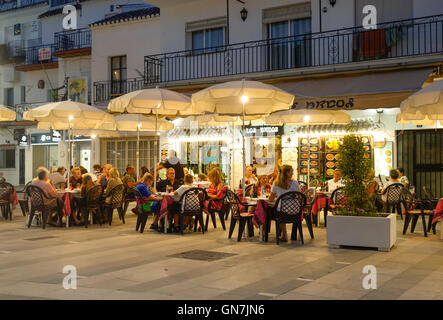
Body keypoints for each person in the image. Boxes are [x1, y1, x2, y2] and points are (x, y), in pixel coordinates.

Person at [268, 165, 301, 243]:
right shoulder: (295, 183)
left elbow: (270, 199)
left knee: (274, 210)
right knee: (281, 209)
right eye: (291, 171)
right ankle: (287, 235)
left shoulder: (276, 183)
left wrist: (278, 195)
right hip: (296, 211)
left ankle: (284, 236)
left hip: (282, 212)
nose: (293, 173)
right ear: (287, 173)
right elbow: (300, 196)